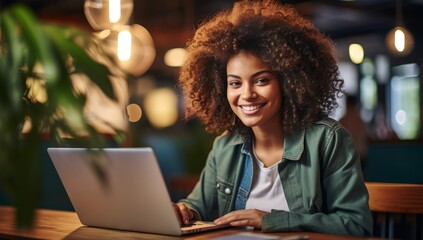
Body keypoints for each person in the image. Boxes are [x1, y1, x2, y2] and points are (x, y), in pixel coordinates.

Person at [175, 0, 373, 237]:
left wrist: (273, 220)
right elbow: (198, 205)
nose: (247, 94)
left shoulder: (327, 140)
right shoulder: (225, 146)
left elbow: (355, 225)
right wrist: (184, 210)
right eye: (235, 83)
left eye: (261, 80)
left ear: (289, 82)